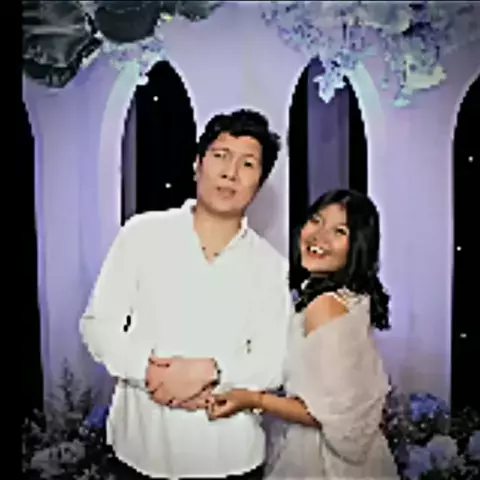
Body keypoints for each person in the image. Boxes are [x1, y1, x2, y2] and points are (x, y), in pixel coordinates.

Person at [79, 109, 292, 479]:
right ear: (198, 164)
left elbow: (275, 360)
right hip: (140, 449)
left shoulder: (270, 266)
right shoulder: (142, 235)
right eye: (221, 156)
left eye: (247, 164)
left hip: (229, 458)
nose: (230, 172)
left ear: (259, 183)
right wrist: (148, 372)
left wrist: (212, 372)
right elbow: (98, 326)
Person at [207, 189, 400, 479]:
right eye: (316, 221)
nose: (319, 237)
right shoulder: (350, 298)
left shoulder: (326, 306)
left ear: (358, 245)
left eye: (339, 231)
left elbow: (326, 415)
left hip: (322, 462)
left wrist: (253, 400)